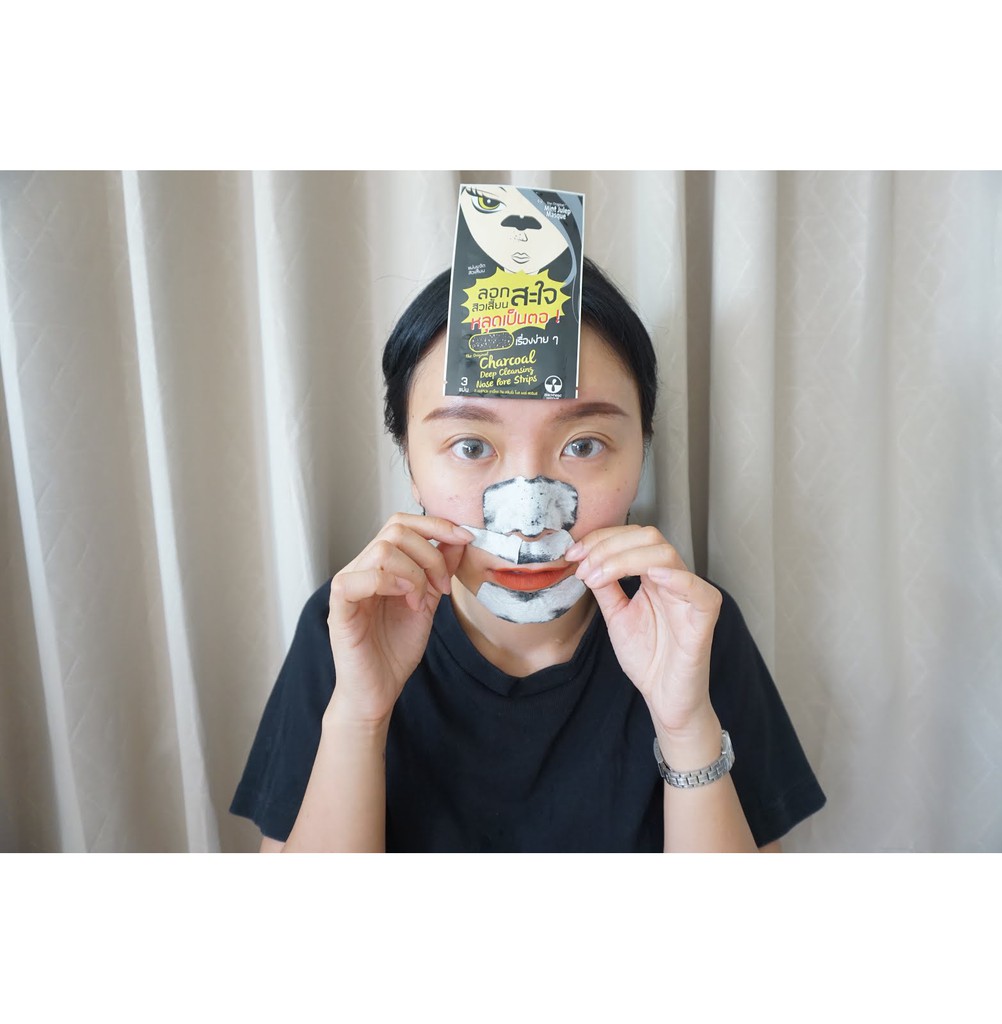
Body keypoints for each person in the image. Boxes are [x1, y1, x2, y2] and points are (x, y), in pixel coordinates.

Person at [230, 259, 826, 852]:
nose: (531, 519)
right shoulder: (348, 625)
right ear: (410, 463)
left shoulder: (690, 627)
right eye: (470, 446)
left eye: (584, 445)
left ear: (641, 454)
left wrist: (686, 726)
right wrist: (359, 718)